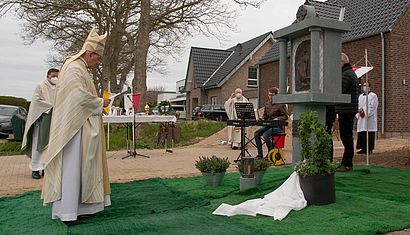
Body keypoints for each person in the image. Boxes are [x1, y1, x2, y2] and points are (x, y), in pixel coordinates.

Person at [42, 28, 111, 222]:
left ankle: (80, 208)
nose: (97, 63)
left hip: (79, 125)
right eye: (97, 59)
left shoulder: (79, 67)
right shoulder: (74, 68)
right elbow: (77, 97)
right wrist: (100, 103)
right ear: (89, 53)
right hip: (74, 130)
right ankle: (69, 210)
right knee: (73, 168)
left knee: (81, 167)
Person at [21, 68, 59, 179]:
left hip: (53, 120)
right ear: (48, 76)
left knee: (50, 145)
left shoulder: (59, 87)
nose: (55, 78)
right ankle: (35, 169)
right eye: (53, 76)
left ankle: (47, 167)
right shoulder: (40, 86)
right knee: (38, 144)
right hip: (41, 119)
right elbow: (36, 101)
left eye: (57, 76)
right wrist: (51, 106)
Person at [335, 53, 360, 172]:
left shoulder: (345, 75)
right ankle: (346, 162)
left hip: (346, 109)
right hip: (348, 109)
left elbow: (340, 91)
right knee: (347, 136)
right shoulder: (350, 73)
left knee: (346, 137)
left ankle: (347, 163)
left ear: (342, 62)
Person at [254, 87, 288, 158]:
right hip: (269, 125)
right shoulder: (267, 104)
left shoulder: (281, 104)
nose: (270, 97)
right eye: (269, 95)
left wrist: (277, 118)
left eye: (272, 95)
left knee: (265, 135)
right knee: (257, 133)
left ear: (276, 95)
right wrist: (262, 119)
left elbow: (285, 116)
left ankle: (270, 153)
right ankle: (260, 154)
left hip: (278, 127)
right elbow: (265, 116)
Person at [356, 82, 378, 154]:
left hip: (369, 118)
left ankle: (369, 149)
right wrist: (359, 110)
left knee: (369, 132)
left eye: (366, 85)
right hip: (361, 118)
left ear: (369, 87)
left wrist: (364, 110)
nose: (365, 87)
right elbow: (358, 105)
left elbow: (373, 106)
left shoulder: (373, 96)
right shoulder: (360, 96)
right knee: (362, 132)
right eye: (364, 85)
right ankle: (363, 148)